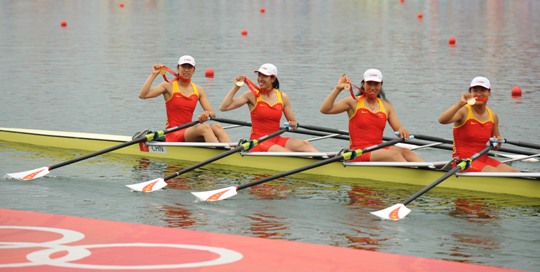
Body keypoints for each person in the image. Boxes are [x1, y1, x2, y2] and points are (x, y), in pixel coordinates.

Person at [320, 69, 423, 162]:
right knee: (395, 154)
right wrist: (338, 89)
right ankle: (411, 176)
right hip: (358, 152)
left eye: (376, 84)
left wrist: (402, 131)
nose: (372, 88)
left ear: (381, 85)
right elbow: (325, 109)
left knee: (406, 151)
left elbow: (399, 128)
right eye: (369, 83)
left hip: (378, 149)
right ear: (363, 84)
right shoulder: (353, 102)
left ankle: (426, 171)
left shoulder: (387, 106)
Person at [219, 63, 318, 152]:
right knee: (285, 153)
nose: (260, 79)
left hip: (276, 139)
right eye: (259, 75)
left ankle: (325, 163)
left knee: (305, 144)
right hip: (258, 142)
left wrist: (293, 124)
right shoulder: (251, 95)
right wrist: (236, 86)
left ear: (273, 79)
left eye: (264, 76)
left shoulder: (282, 97)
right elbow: (224, 107)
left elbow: (292, 121)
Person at [138, 55, 231, 143]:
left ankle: (231, 152)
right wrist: (153, 74)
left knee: (217, 126)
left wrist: (207, 113)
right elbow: (143, 95)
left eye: (189, 67)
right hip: (173, 133)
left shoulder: (199, 90)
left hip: (188, 131)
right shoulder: (168, 86)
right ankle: (221, 155)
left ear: (194, 70)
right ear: (178, 68)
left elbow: (213, 114)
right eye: (183, 66)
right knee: (205, 128)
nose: (186, 70)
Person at [438, 76, 519, 172]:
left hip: (483, 158)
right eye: (475, 90)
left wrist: (498, 142)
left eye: (483, 90)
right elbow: (442, 120)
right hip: (463, 161)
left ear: (489, 92)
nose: (479, 94)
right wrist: (460, 103)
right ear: (471, 93)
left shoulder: (493, 115)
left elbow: (495, 146)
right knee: (494, 172)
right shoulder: (464, 111)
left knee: (515, 172)